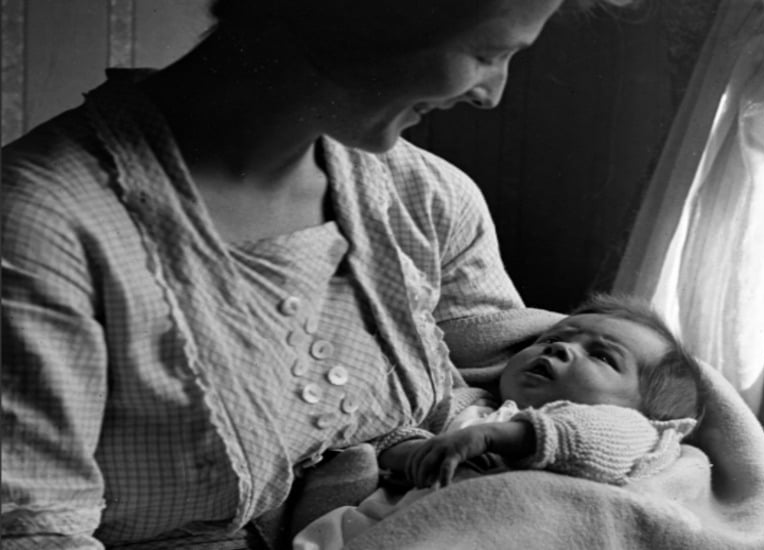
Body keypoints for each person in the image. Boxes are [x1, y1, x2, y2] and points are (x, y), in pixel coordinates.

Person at [1, 1, 634, 548]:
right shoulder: (45, 225)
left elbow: (528, 376)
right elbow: (33, 527)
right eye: (487, 53)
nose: (490, 93)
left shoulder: (429, 197)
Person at [292, 293, 704, 549]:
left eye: (601, 355)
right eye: (553, 339)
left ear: (643, 409)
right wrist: (415, 453)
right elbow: (394, 435)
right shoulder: (470, 402)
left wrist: (498, 438)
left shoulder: (631, 429)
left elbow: (597, 439)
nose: (560, 350)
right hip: (388, 525)